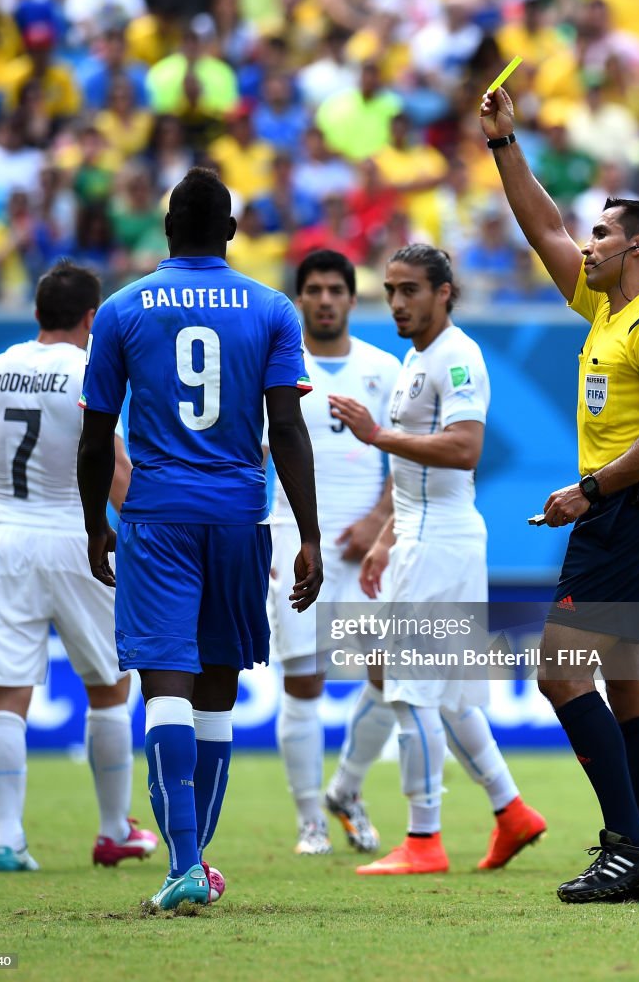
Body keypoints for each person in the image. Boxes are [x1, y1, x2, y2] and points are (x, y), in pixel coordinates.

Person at [77, 167, 322, 910]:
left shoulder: (121, 311)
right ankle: (194, 859)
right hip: (240, 516)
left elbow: (94, 438)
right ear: (231, 233)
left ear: (165, 229)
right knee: (217, 689)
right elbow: (286, 426)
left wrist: (96, 524)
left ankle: (186, 859)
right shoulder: (271, 308)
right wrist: (308, 534)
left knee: (165, 684)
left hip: (156, 517)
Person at [480, 86, 639, 903]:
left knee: (558, 675)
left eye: (601, 232)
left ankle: (625, 843)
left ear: (636, 246)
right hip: (632, 515)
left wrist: (589, 490)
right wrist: (505, 145)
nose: (586, 241)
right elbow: (541, 228)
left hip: (628, 513)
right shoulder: (605, 310)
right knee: (633, 691)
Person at [328, 244, 546, 875]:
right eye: (391, 289)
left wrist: (377, 435)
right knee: (448, 695)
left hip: (444, 540)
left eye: (410, 290)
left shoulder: (459, 357)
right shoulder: (416, 359)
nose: (397, 301)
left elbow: (464, 448)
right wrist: (385, 537)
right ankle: (512, 814)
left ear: (444, 292)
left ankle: (424, 840)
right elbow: (413, 470)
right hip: (420, 537)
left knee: (412, 691)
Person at [0, 262, 158, 872]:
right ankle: (114, 830)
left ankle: (8, 840)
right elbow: (113, 469)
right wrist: (152, 531)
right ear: (92, 317)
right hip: (77, 539)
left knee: (5, 696)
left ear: (38, 312)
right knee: (110, 689)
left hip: (7, 541)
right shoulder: (90, 370)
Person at [264, 249, 401, 856]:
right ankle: (307, 822)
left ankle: (345, 789)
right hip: (293, 540)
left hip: (366, 546)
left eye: (334, 290)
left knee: (392, 676)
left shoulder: (383, 368)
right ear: (299, 300)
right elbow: (252, 459)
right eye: (313, 289)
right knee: (304, 682)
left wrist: (377, 520)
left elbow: (408, 456)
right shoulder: (275, 370)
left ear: (351, 298)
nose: (324, 300)